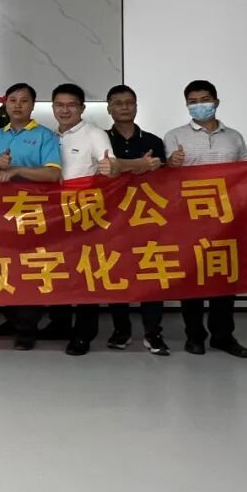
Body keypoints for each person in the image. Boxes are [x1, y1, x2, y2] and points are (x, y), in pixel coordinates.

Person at [164, 79, 247, 359]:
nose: (199, 105)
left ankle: (223, 336)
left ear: (216, 102)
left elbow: (245, 172)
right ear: (186, 105)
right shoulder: (174, 136)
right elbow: (165, 180)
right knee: (191, 278)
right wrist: (171, 164)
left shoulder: (234, 137)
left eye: (204, 99)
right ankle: (194, 337)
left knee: (224, 277)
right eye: (192, 101)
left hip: (226, 219)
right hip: (189, 219)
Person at [0, 82, 62, 350]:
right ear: (5, 104)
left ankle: (27, 328)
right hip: (1, 213)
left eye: (24, 100)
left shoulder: (44, 135)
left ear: (32, 105)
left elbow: (53, 173)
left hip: (34, 211)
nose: (17, 105)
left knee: (29, 267)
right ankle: (13, 319)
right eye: (13, 100)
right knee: (5, 265)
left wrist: (16, 170)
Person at [101, 84, 169, 355]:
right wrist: (139, 165)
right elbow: (106, 169)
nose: (125, 107)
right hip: (112, 218)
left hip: (147, 217)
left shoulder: (153, 141)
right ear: (109, 109)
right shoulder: (102, 139)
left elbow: (166, 177)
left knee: (152, 274)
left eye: (129, 102)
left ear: (137, 106)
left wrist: (151, 166)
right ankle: (121, 330)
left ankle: (153, 333)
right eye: (118, 103)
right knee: (116, 273)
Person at [49, 83, 117, 356]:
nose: (65, 110)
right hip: (54, 216)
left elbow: (109, 168)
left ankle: (84, 333)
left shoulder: (95, 134)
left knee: (85, 273)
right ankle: (59, 324)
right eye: (59, 105)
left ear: (82, 108)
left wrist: (109, 168)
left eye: (71, 105)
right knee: (58, 269)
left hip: (85, 215)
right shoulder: (50, 135)